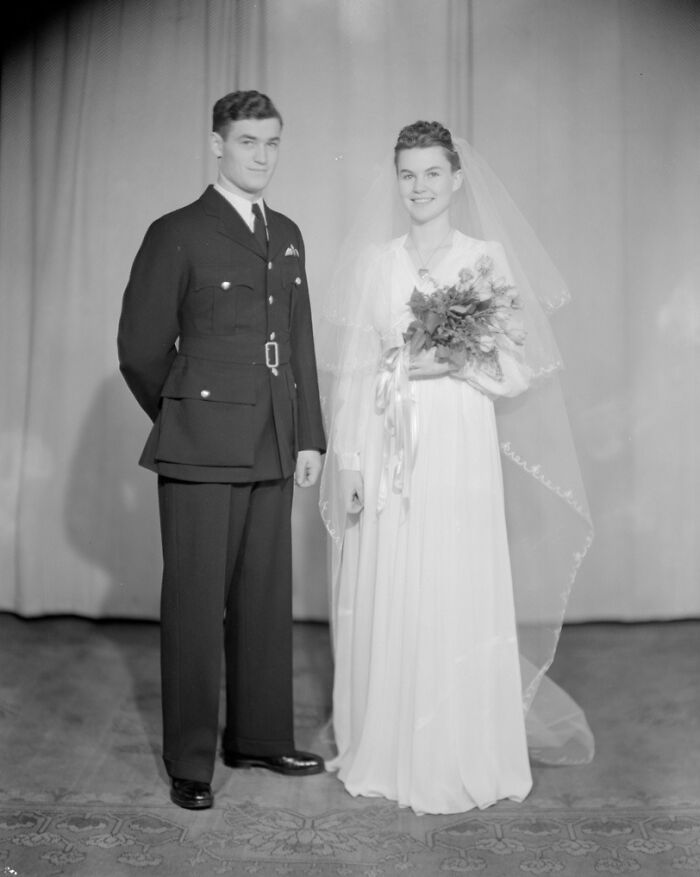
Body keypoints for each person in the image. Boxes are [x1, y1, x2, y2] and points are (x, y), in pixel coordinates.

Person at [318, 121, 594, 815]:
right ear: (397, 179)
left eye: (432, 173)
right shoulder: (379, 262)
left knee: (453, 579)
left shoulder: (485, 259)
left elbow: (513, 365)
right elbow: (356, 374)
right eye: (407, 174)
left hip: (458, 444)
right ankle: (389, 744)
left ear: (456, 178)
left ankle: (460, 748)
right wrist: (348, 458)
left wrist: (439, 359)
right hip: (389, 442)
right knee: (396, 579)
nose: (419, 187)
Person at [118, 90, 326, 811]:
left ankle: (260, 737)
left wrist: (310, 438)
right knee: (197, 607)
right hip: (201, 446)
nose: (261, 155)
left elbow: (298, 344)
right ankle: (192, 761)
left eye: (272, 142)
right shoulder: (178, 231)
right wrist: (183, 417)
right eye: (247, 142)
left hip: (273, 442)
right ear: (216, 144)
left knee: (267, 600)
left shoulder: (289, 231)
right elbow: (140, 350)